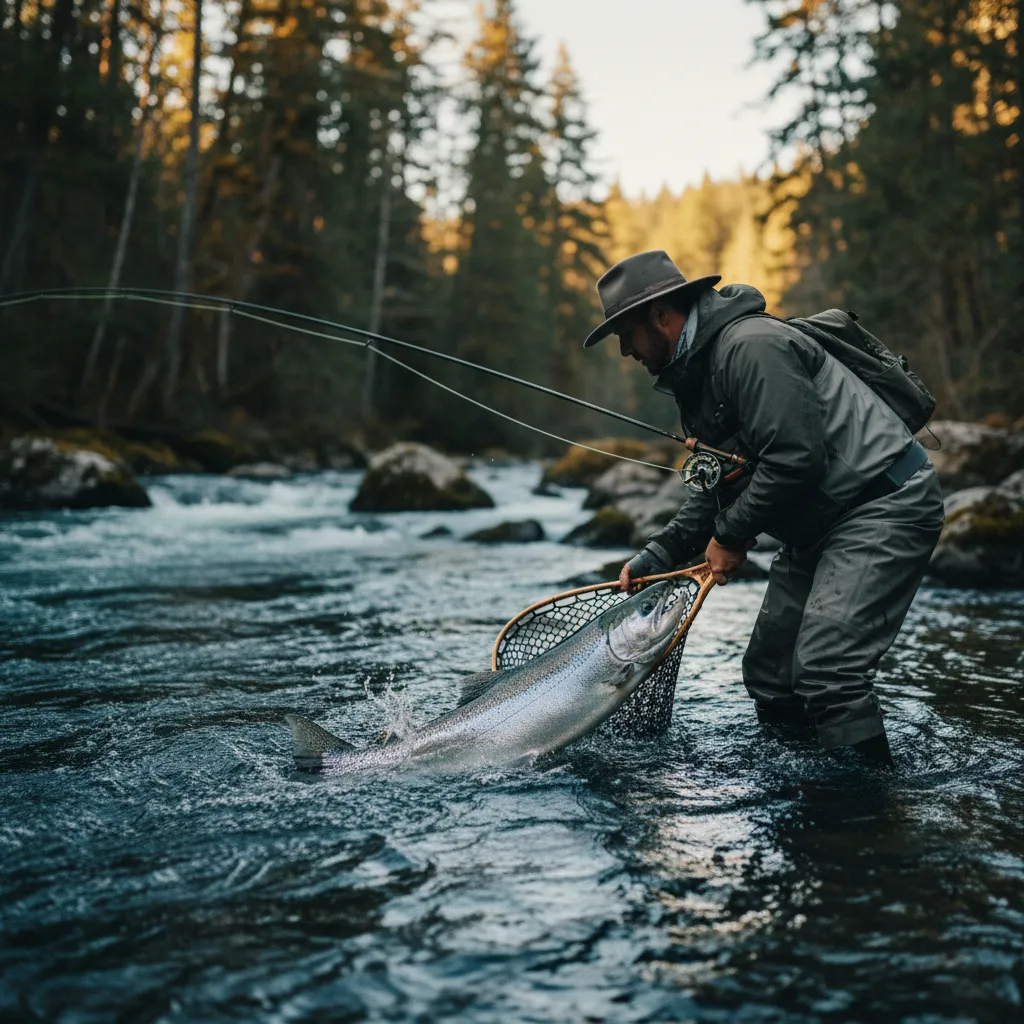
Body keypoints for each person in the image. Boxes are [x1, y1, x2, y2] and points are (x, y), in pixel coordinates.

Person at [584, 250, 946, 765]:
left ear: (661, 315)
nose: (625, 350)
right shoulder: (699, 374)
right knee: (771, 676)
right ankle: (803, 793)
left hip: (882, 503)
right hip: (819, 522)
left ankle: (866, 820)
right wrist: (658, 557)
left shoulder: (750, 348)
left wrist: (729, 537)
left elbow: (795, 460)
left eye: (626, 333)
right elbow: (717, 486)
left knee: (828, 671)